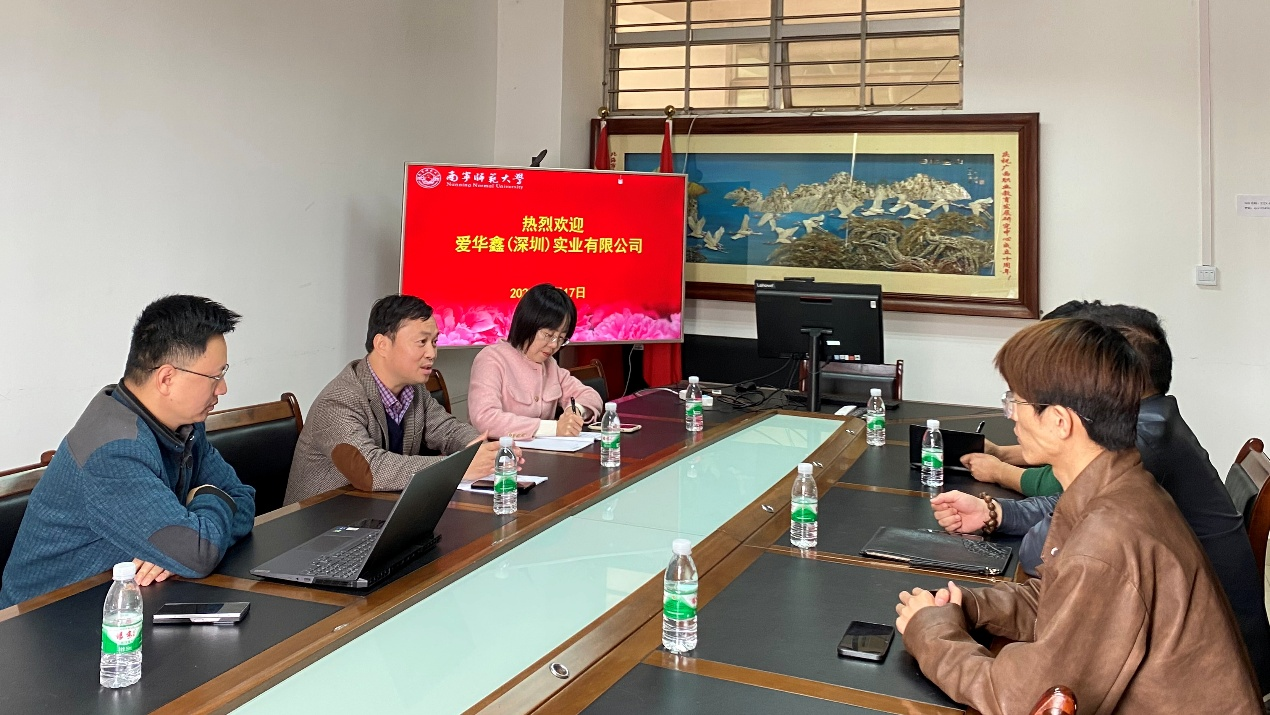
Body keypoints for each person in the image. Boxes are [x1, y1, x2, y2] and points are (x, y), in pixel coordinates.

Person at [896, 318, 1261, 714]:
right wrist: (969, 605)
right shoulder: (1116, 487)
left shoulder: (1108, 536)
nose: (1011, 415)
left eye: (1015, 401)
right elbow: (1056, 599)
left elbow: (1022, 699)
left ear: (1059, 420)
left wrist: (930, 632)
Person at [0, 296, 256, 608]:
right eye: (215, 376)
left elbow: (243, 499)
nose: (223, 388)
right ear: (166, 378)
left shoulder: (184, 426)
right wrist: (204, 504)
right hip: (44, 621)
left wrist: (181, 545)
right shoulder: (112, 452)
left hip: (121, 602)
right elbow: (199, 553)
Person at [285, 294, 519, 504]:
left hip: (377, 509)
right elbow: (369, 469)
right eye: (421, 342)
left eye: (434, 342)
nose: (432, 353)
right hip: (320, 522)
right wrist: (459, 466)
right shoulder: (338, 401)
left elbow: (447, 430)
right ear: (382, 345)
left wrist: (482, 449)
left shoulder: (413, 390)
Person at [467, 284, 603, 438]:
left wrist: (575, 411)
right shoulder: (491, 359)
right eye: (548, 335)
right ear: (528, 324)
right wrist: (553, 428)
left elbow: (591, 396)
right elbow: (485, 418)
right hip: (499, 451)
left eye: (561, 338)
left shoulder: (550, 364)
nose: (554, 345)